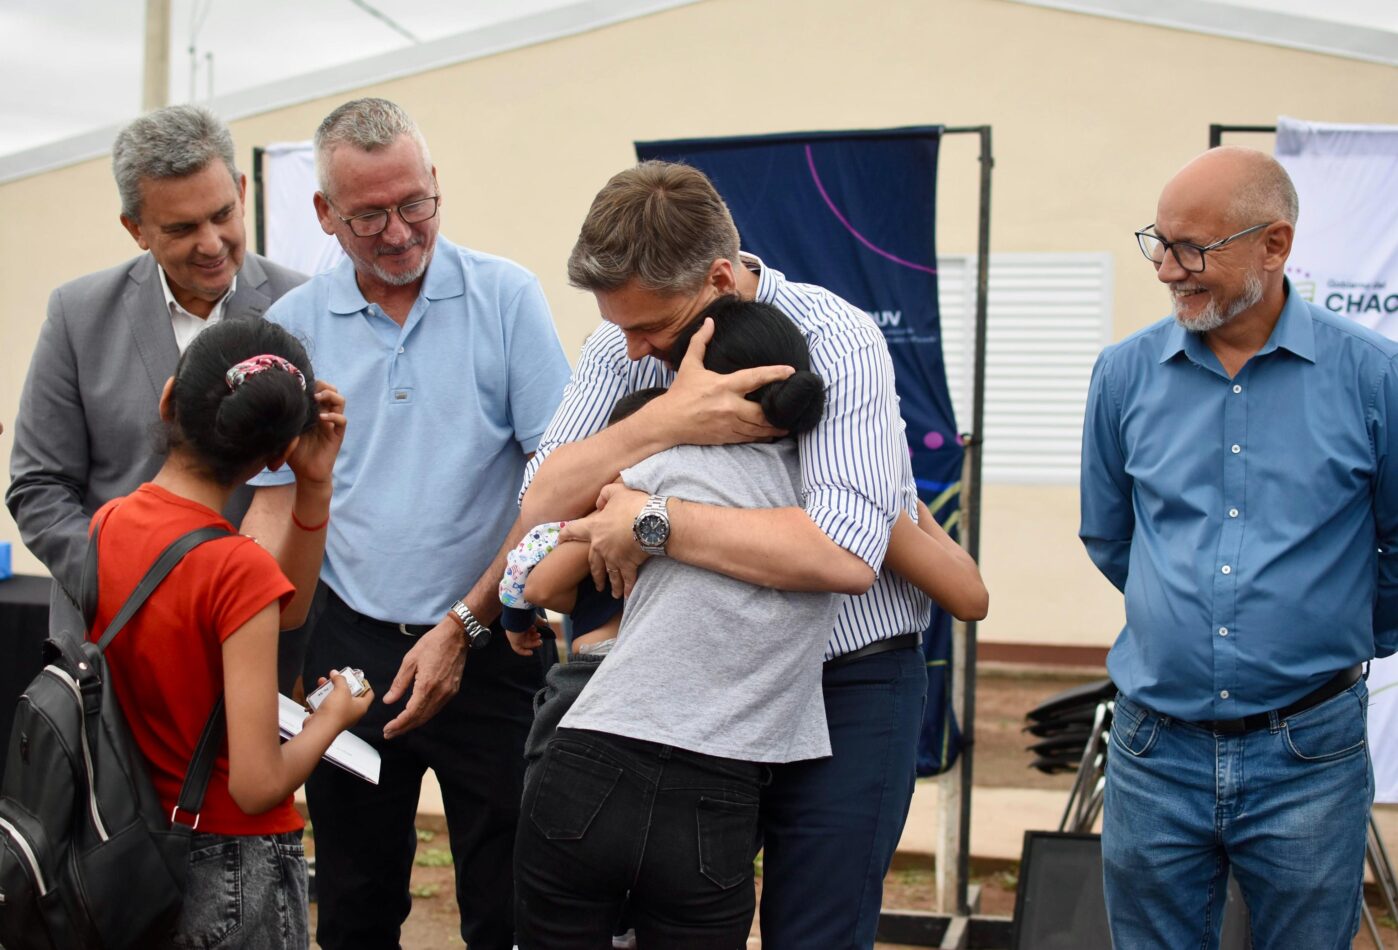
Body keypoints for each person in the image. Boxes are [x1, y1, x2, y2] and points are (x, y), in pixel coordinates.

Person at [520, 161, 936, 948]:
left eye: (652, 328)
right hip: (699, 688)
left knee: (811, 934)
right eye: (620, 327)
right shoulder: (622, 341)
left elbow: (843, 553)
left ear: (718, 279)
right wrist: (663, 420)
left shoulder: (835, 336)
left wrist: (651, 520)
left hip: (848, 679)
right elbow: (541, 502)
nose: (634, 349)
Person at [247, 97, 570, 950]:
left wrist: (467, 623)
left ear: (436, 184)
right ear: (325, 214)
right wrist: (244, 638)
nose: (398, 232)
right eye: (369, 215)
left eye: (414, 203)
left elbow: (558, 485)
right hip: (349, 653)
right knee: (355, 905)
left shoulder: (506, 298)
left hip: (494, 644)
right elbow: (274, 504)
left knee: (510, 908)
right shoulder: (293, 329)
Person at [1080, 145, 1394, 949]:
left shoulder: (1374, 379)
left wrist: (1331, 632)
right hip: (1154, 750)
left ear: (1274, 245)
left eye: (1192, 249)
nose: (1167, 270)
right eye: (1159, 243)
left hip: (1309, 752)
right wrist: (1182, 620)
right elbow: (1111, 535)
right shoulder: (1122, 376)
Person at [515, 297, 841, 946]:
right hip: (719, 792)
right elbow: (965, 594)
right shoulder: (832, 505)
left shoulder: (653, 472)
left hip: (592, 756)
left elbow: (540, 569)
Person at [90, 317, 370, 948]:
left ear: (168, 399)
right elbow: (256, 785)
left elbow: (284, 612)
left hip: (132, 842)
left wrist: (314, 488)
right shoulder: (235, 568)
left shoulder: (109, 522)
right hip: (231, 867)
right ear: (274, 456)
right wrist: (332, 719)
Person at [7, 104, 304, 651]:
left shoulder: (302, 307)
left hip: (258, 645)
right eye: (182, 228)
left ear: (242, 190)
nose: (211, 243)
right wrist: (124, 584)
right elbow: (39, 487)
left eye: (222, 214)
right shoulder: (77, 315)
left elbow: (321, 484)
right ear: (135, 229)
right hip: (110, 649)